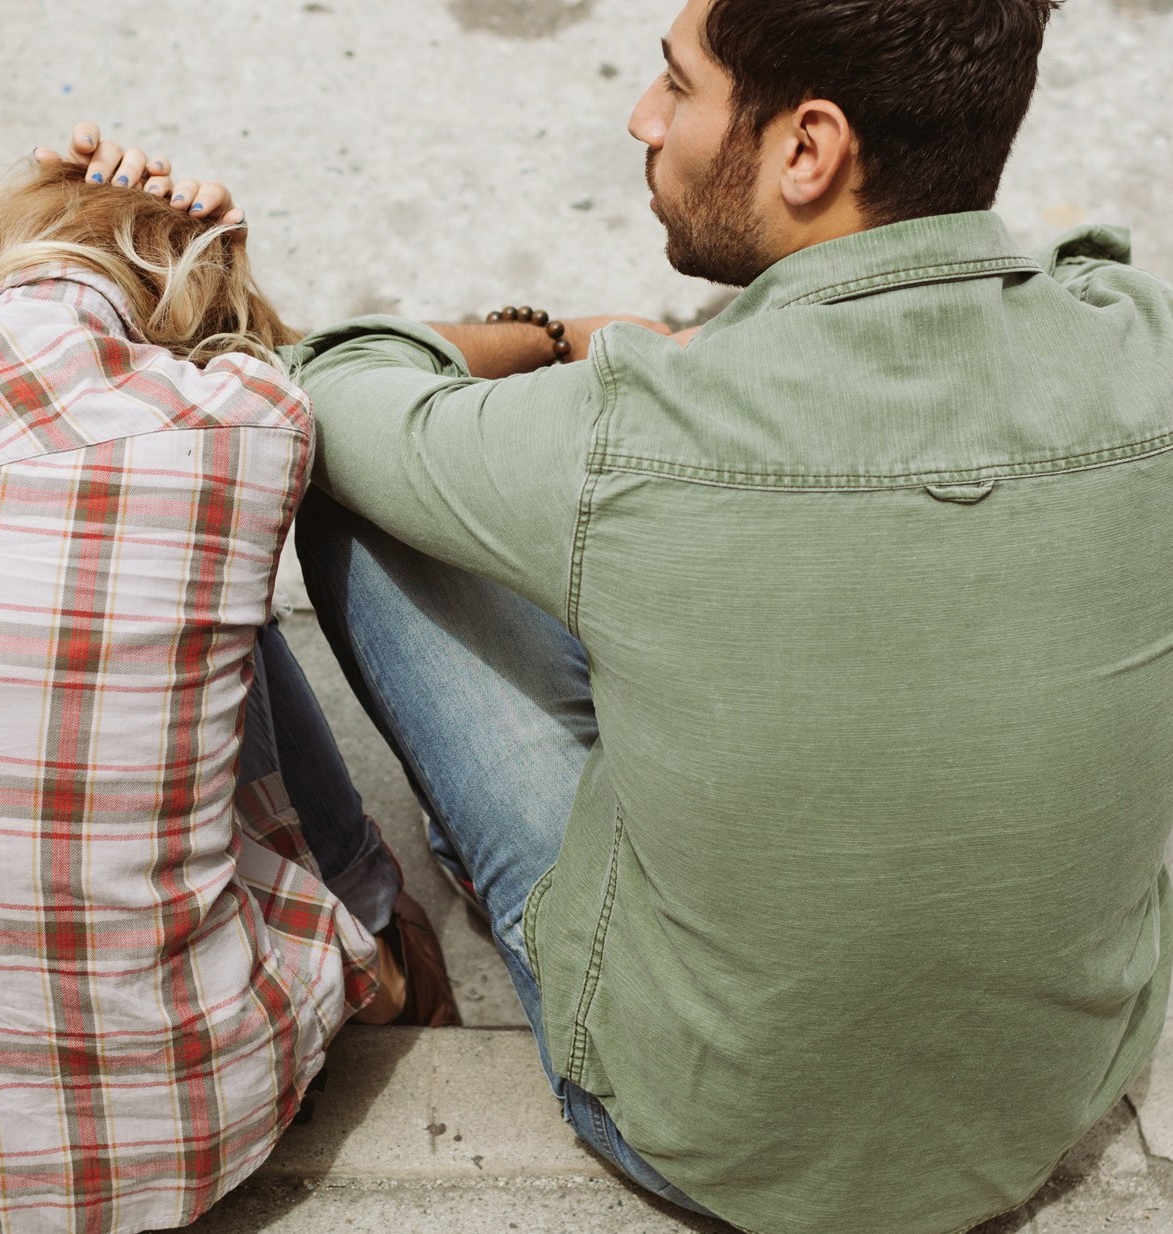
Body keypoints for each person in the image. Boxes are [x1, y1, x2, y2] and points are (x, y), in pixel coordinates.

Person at [68, 0, 1173, 1229]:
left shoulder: (636, 426)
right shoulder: (1150, 351)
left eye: (677, 84)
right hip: (1045, 1106)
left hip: (698, 1133)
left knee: (367, 505)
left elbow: (323, 385)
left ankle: (404, 922)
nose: (643, 118)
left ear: (808, 149)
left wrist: (560, 339)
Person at [0, 156, 457, 1234]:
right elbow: (266, 369)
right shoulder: (245, 425)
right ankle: (385, 932)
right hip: (184, 1132)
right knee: (207, 618)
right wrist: (212, 250)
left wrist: (45, 197)